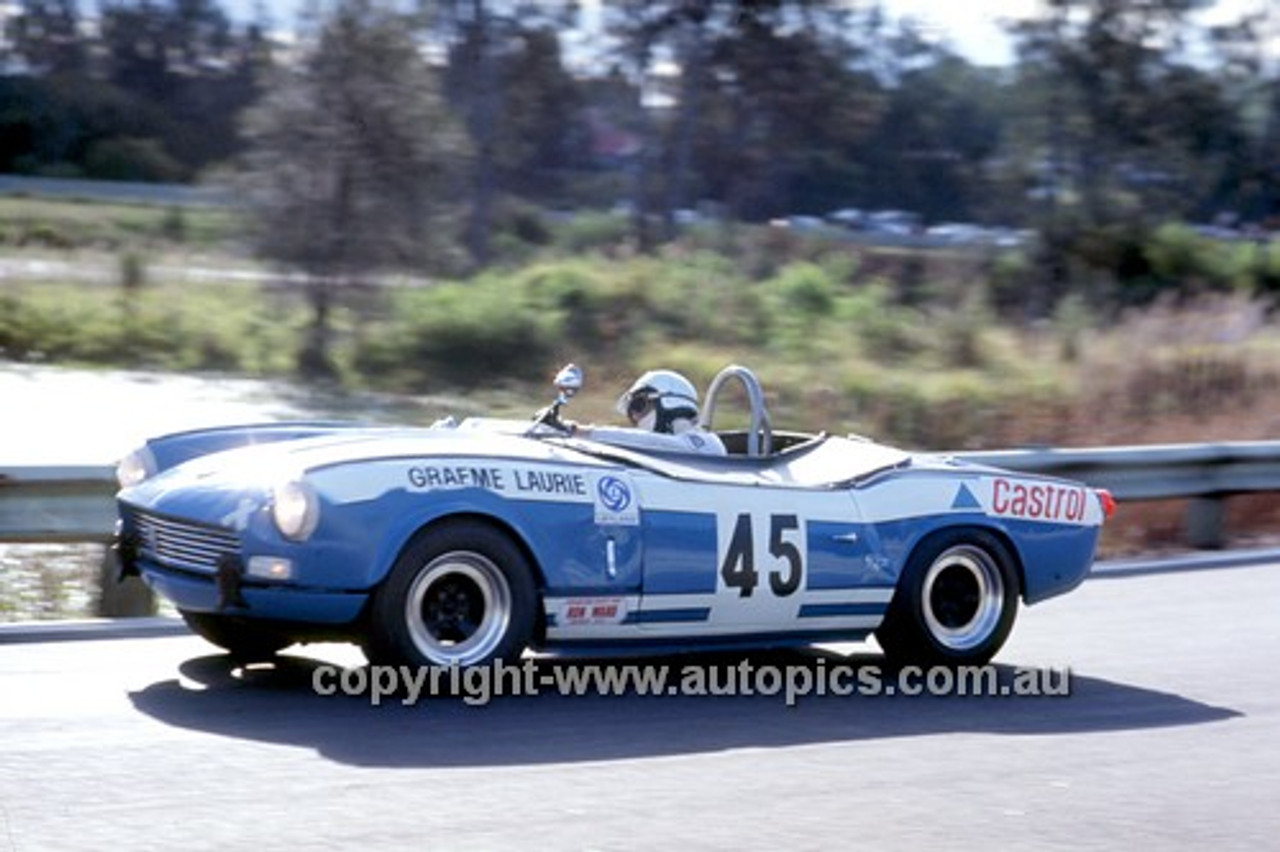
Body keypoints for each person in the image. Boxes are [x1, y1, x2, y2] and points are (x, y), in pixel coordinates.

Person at [571, 369, 726, 456]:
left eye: (639, 406)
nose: (636, 418)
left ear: (669, 401)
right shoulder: (661, 459)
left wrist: (584, 432)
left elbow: (655, 442)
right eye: (631, 414)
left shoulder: (706, 445)